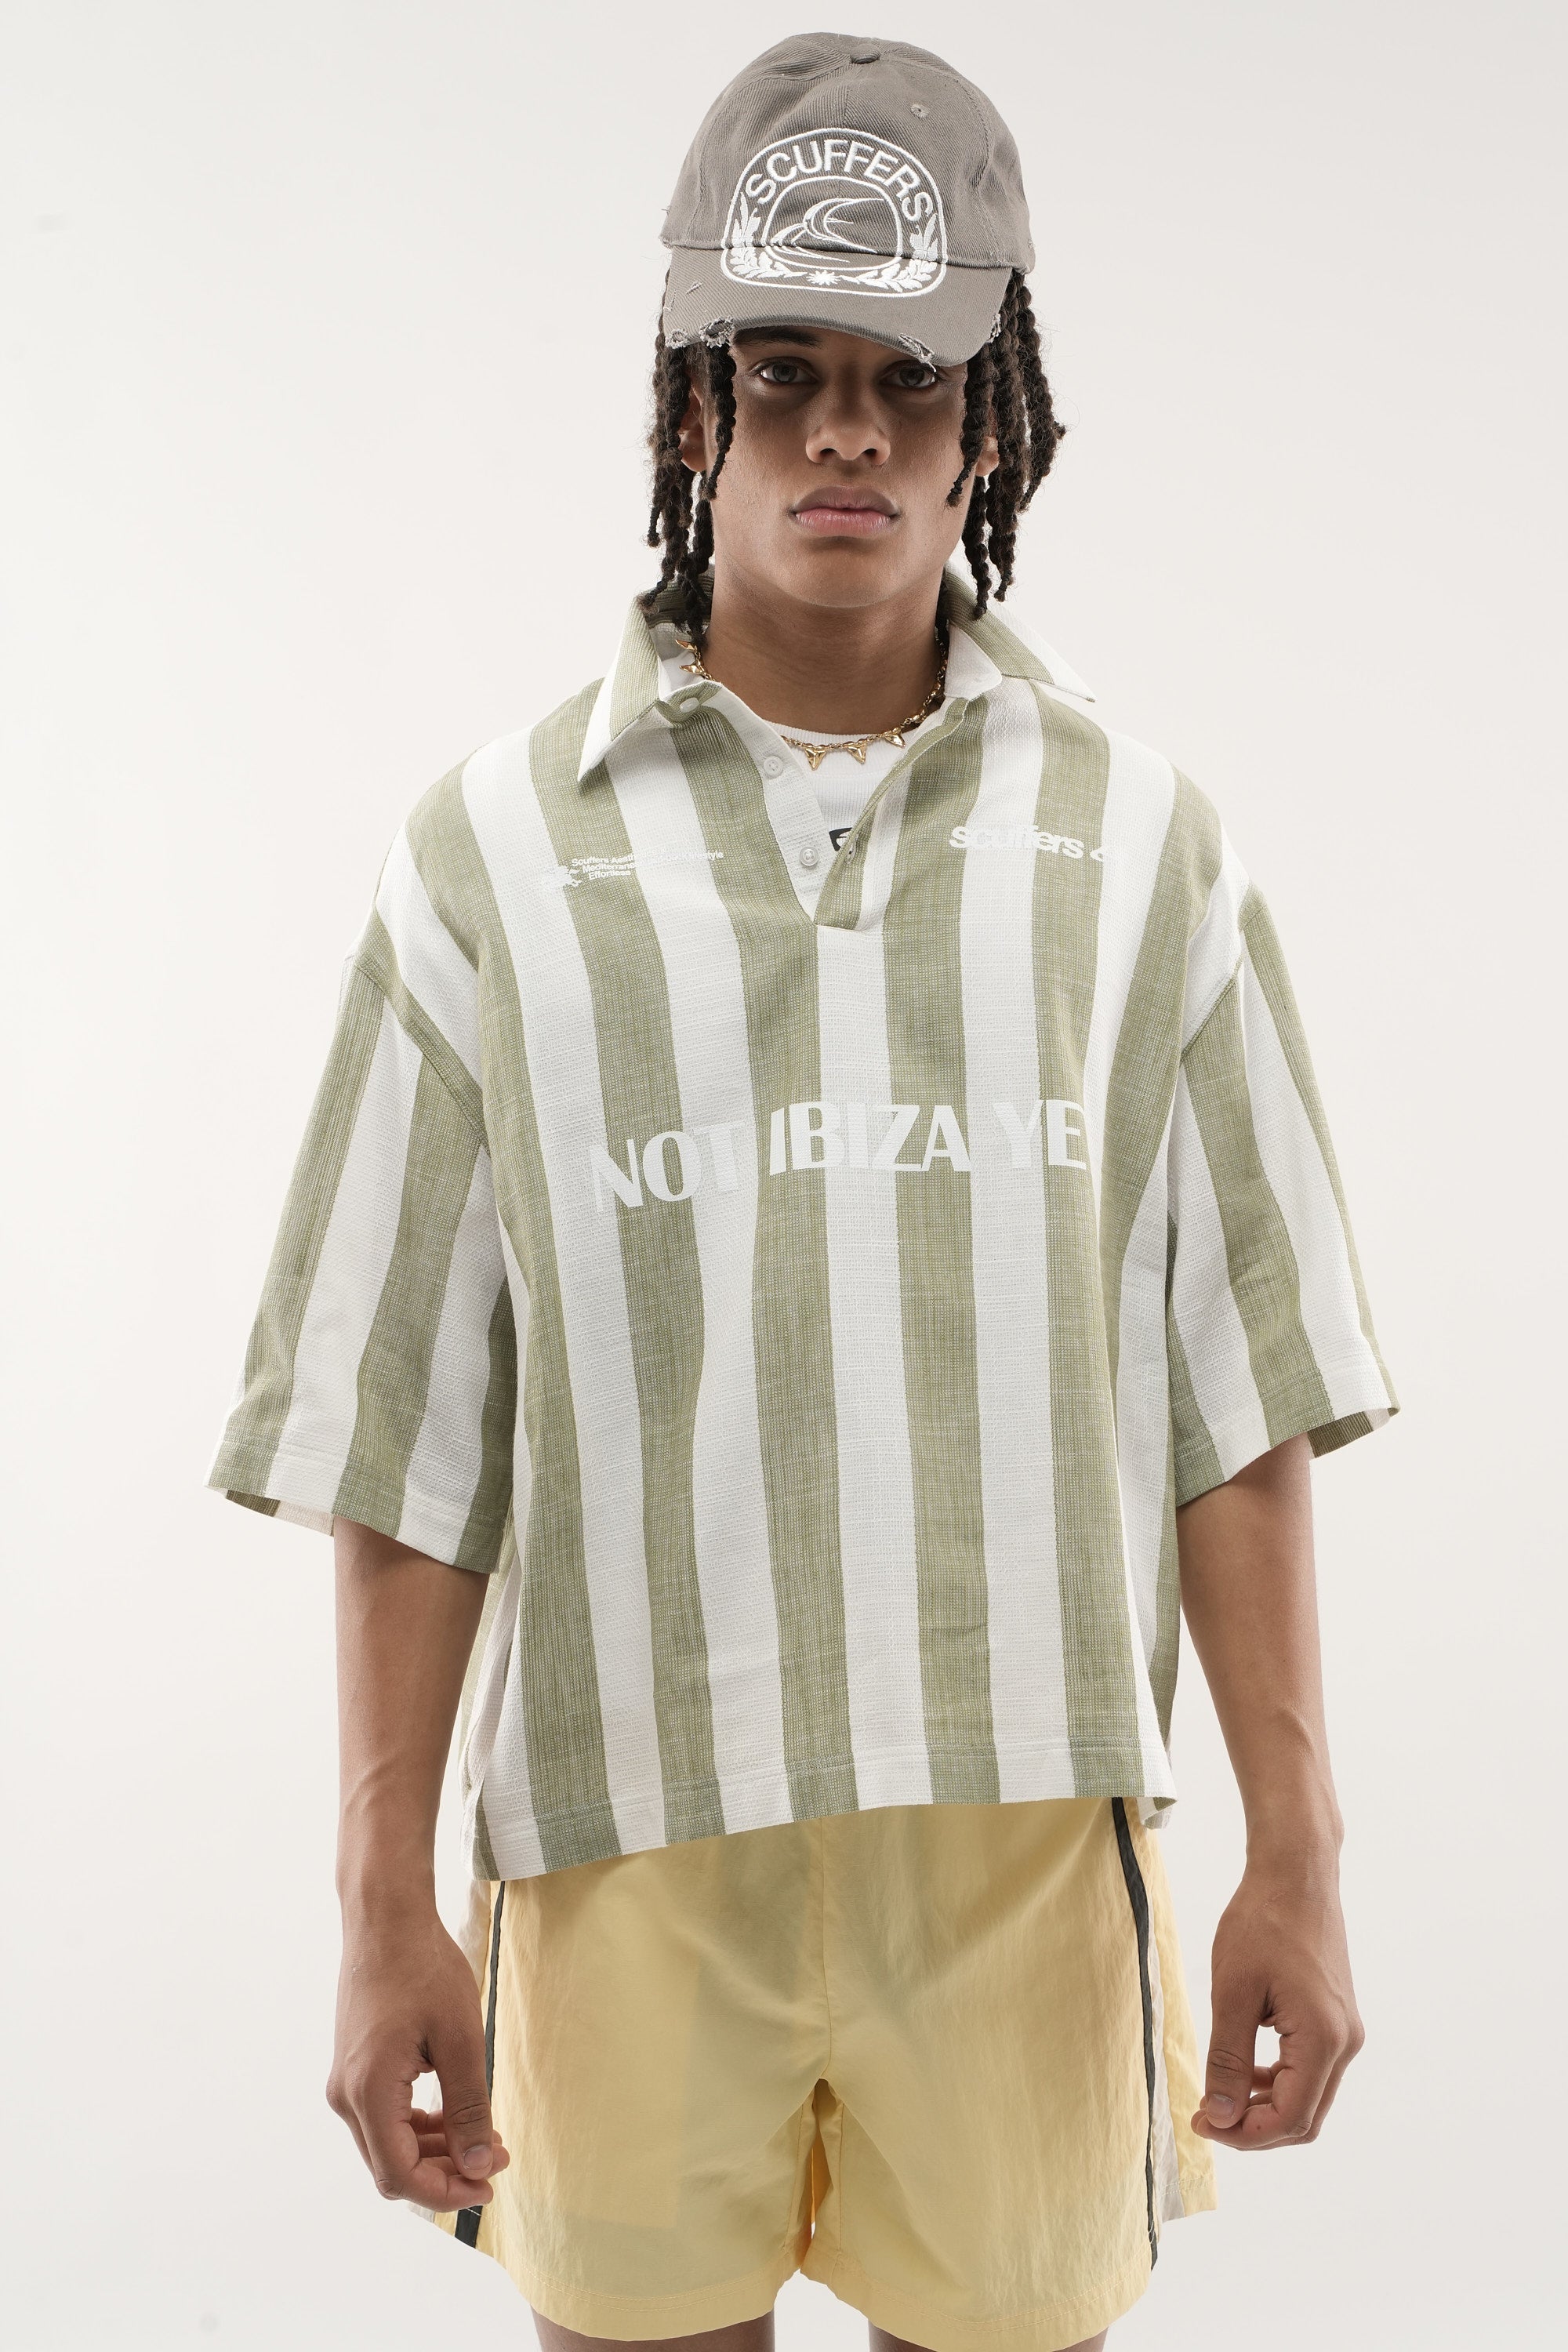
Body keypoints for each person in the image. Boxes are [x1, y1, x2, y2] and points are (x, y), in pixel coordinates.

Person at [209, 33, 1396, 2352]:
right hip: (624, 1844)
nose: (846, 434)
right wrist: (377, 1901)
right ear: (693, 409)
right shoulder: (487, 863)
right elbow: (409, 1442)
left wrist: (1303, 1854)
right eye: (784, 375)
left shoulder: (1146, 854)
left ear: (992, 425)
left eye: (909, 379)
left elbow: (1236, 1399)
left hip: (1026, 1845)